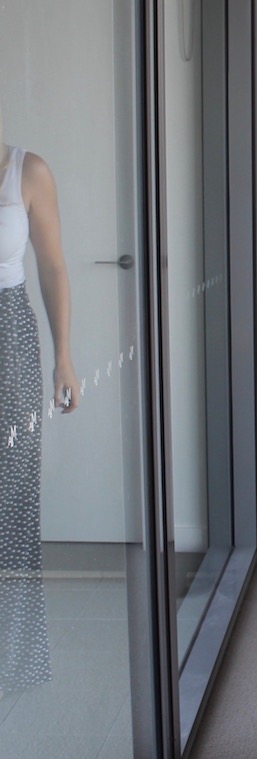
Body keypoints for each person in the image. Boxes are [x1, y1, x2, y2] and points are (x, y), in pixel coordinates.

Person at [0, 107, 80, 696]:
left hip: (10, 337)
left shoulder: (27, 171)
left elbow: (52, 267)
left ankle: (14, 656)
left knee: (15, 495)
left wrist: (64, 357)